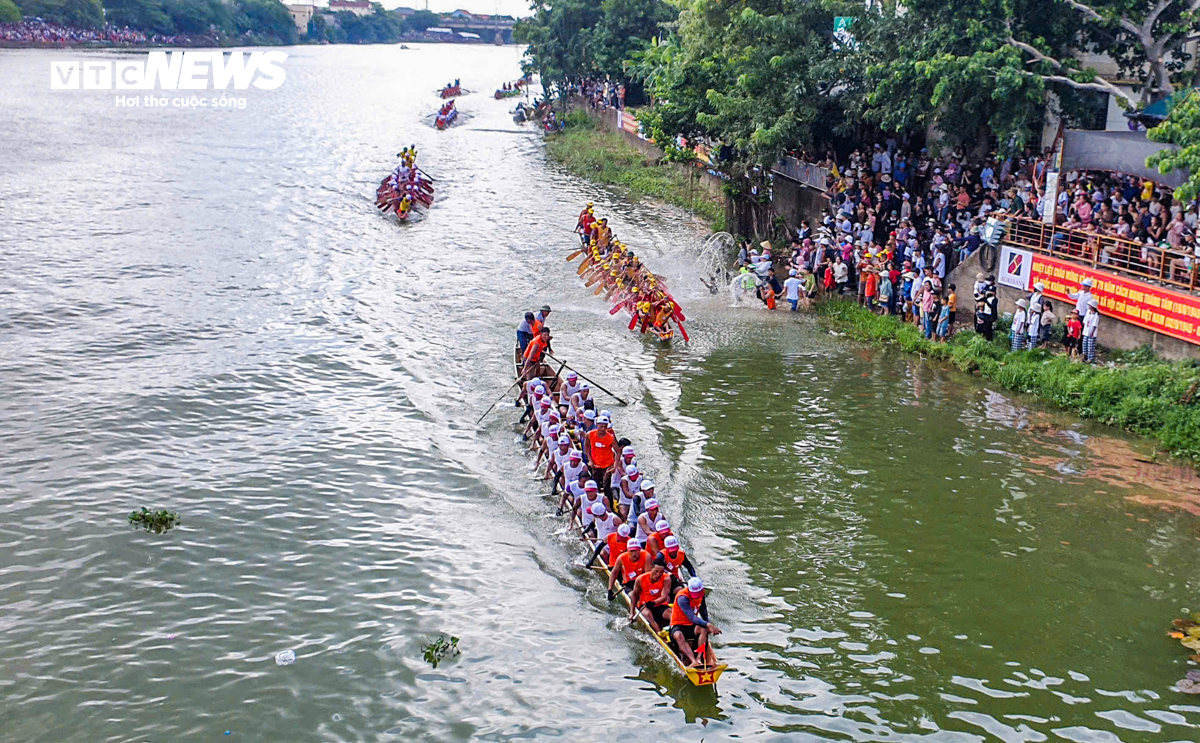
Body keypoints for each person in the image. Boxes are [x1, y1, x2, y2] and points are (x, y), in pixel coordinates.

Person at [670, 577, 721, 669]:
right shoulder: (682, 597)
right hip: (678, 625)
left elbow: (703, 611)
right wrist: (709, 625)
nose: (697, 596)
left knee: (703, 628)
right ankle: (693, 661)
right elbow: (692, 617)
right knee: (679, 636)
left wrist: (707, 625)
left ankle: (698, 658)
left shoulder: (702, 594)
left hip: (691, 626)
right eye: (695, 594)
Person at [629, 555, 672, 633]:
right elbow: (634, 595)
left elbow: (664, 596)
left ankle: (672, 633)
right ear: (651, 568)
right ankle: (659, 634)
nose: (658, 575)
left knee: (672, 615)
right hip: (645, 605)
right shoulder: (640, 579)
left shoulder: (667, 579)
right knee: (647, 614)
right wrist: (632, 612)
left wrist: (654, 602)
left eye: (661, 572)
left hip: (659, 604)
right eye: (656, 571)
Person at [583, 415, 617, 495]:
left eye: (605, 427)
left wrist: (615, 466)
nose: (603, 429)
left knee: (606, 486)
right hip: (595, 464)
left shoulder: (610, 438)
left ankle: (609, 504)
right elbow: (586, 447)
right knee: (596, 484)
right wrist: (590, 460)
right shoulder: (590, 435)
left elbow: (618, 452)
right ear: (597, 425)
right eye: (601, 426)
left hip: (607, 465)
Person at [608, 536, 650, 601]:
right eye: (631, 551)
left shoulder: (646, 556)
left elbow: (648, 575)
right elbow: (614, 573)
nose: (634, 554)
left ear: (640, 549)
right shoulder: (621, 558)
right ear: (627, 550)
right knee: (633, 596)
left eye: (636, 551)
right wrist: (610, 590)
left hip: (641, 582)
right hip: (628, 584)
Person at [1082, 298, 1100, 362]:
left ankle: (1090, 358)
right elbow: (1085, 321)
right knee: (1084, 344)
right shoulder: (1088, 312)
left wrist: (1092, 332)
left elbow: (1095, 325)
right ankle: (1084, 356)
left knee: (1090, 346)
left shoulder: (1096, 315)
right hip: (1086, 331)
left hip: (1091, 332)